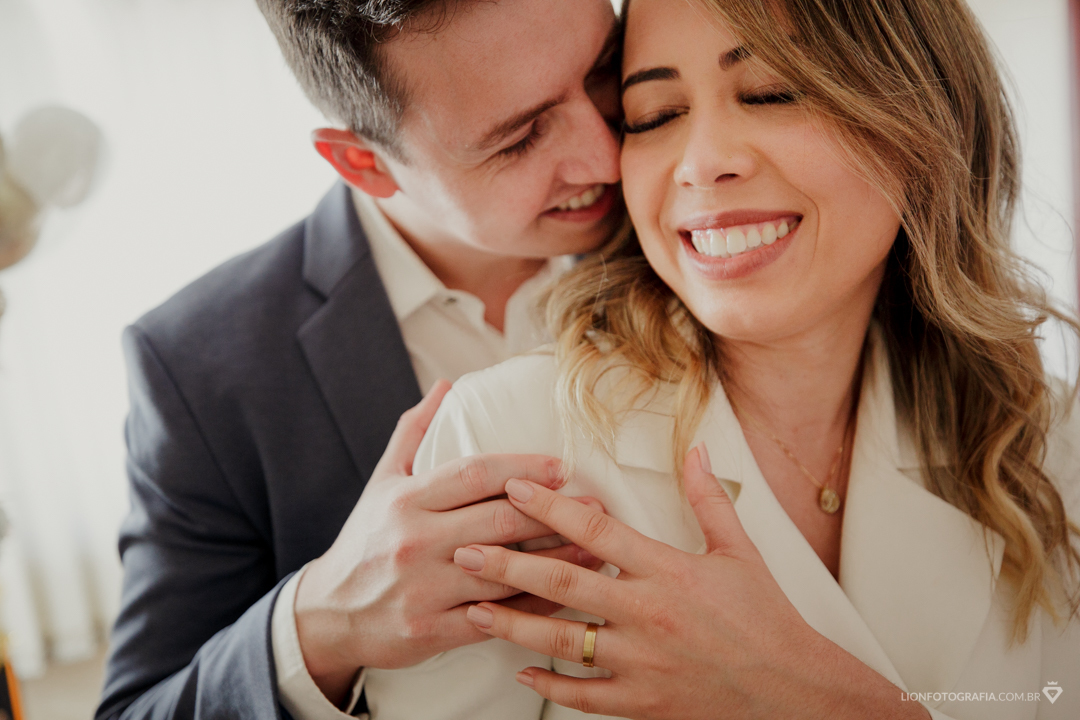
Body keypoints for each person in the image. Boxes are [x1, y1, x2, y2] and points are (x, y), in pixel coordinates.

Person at [359, 0, 1080, 718]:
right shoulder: (506, 438)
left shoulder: (1045, 439)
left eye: (770, 93)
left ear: (929, 116)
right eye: (652, 115)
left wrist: (813, 700)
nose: (703, 165)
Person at [96, 1, 626, 719]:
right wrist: (323, 624)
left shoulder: (703, 223)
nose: (606, 155)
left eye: (601, 73)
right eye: (521, 137)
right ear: (363, 162)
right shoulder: (198, 366)